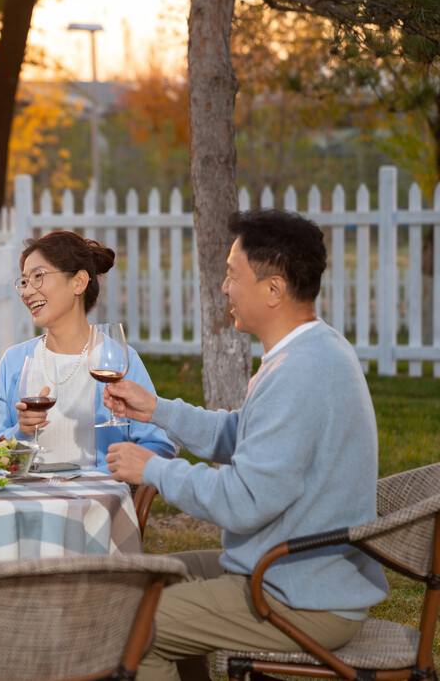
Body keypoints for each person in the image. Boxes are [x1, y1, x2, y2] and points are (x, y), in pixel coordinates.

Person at [104, 209, 389, 681]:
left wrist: (152, 468)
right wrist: (156, 410)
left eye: (233, 275)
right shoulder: (312, 350)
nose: (224, 287)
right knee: (152, 576)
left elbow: (244, 502)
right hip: (289, 572)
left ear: (274, 289)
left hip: (298, 594)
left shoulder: (301, 372)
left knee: (133, 627)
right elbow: (244, 436)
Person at [0, 230, 175, 471]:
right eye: (24, 281)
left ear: (78, 282)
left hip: (95, 503)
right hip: (24, 501)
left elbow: (158, 445)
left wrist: (104, 477)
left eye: (38, 277)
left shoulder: (117, 360)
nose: (27, 291)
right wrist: (20, 432)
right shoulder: (13, 363)